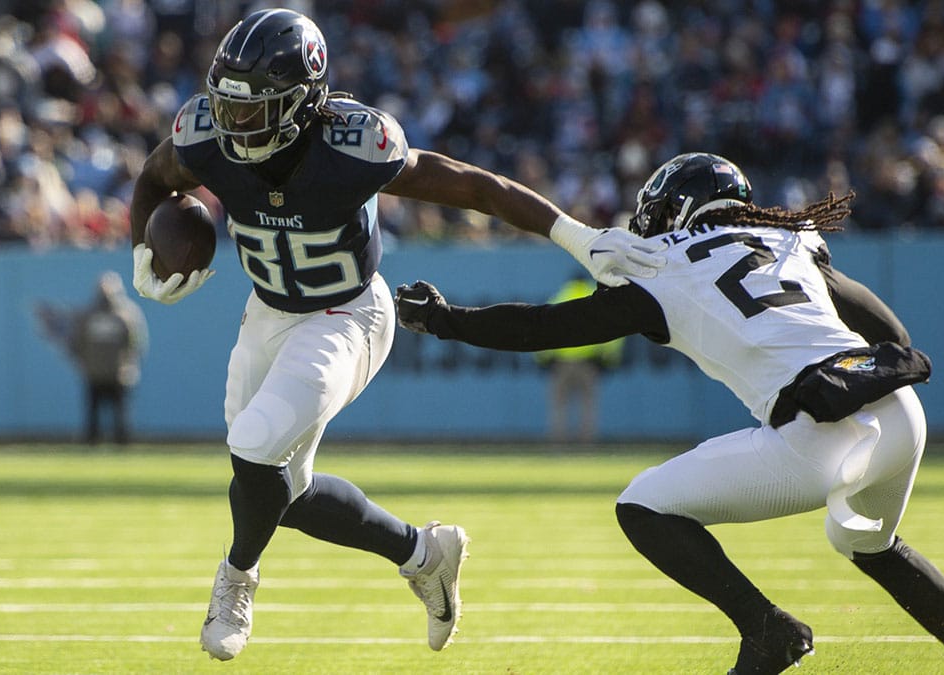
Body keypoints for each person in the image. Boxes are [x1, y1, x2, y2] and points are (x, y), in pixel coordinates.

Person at [126, 7, 665, 661]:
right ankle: (423, 552)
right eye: (229, 106)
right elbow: (156, 177)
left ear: (303, 102)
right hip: (268, 313)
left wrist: (578, 237)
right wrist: (139, 250)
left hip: (348, 315)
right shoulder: (204, 132)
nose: (235, 123)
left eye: (254, 109)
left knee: (255, 443)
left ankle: (236, 577)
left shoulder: (354, 145)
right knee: (278, 492)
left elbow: (476, 187)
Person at [395, 152, 944, 675]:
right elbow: (890, 331)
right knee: (868, 543)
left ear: (678, 210)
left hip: (816, 435)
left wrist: (445, 321)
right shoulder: (789, 238)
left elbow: (546, 327)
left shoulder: (662, 265)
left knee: (642, 506)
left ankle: (766, 628)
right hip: (900, 412)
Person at [36, 271, 148, 445]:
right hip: (114, 372)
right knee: (111, 415)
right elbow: (135, 344)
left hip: (101, 372)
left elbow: (76, 344)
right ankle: (114, 442)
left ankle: (100, 441)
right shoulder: (125, 314)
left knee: (105, 415)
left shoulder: (91, 315)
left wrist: (84, 362)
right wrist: (129, 364)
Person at [535, 273, 624, 442]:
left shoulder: (560, 297)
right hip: (588, 364)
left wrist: (543, 359)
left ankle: (558, 442)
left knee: (559, 405)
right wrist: (608, 359)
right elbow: (613, 331)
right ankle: (586, 443)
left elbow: (543, 330)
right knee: (588, 405)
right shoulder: (596, 298)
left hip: (561, 363)